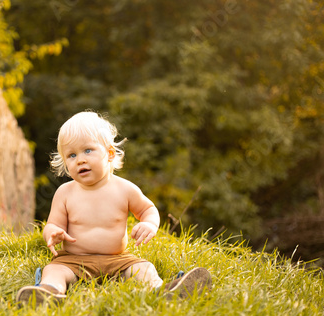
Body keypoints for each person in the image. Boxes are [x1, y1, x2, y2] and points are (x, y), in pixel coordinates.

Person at [16, 111, 211, 305]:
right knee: (54, 270)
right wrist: (53, 233)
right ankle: (49, 293)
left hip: (118, 260)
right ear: (65, 163)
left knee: (144, 268)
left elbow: (147, 209)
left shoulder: (124, 189)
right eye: (72, 155)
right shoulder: (65, 193)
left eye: (88, 150)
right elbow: (52, 224)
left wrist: (150, 224)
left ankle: (164, 290)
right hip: (73, 260)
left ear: (109, 153)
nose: (80, 160)